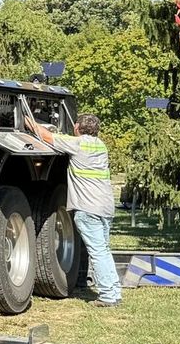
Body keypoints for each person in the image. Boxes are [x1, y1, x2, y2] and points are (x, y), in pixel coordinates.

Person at [21, 106, 123, 307]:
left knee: (98, 252)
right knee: (104, 249)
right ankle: (114, 290)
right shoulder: (100, 146)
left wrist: (28, 120)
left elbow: (46, 137)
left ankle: (108, 297)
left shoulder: (78, 145)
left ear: (77, 127)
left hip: (88, 208)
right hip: (105, 206)